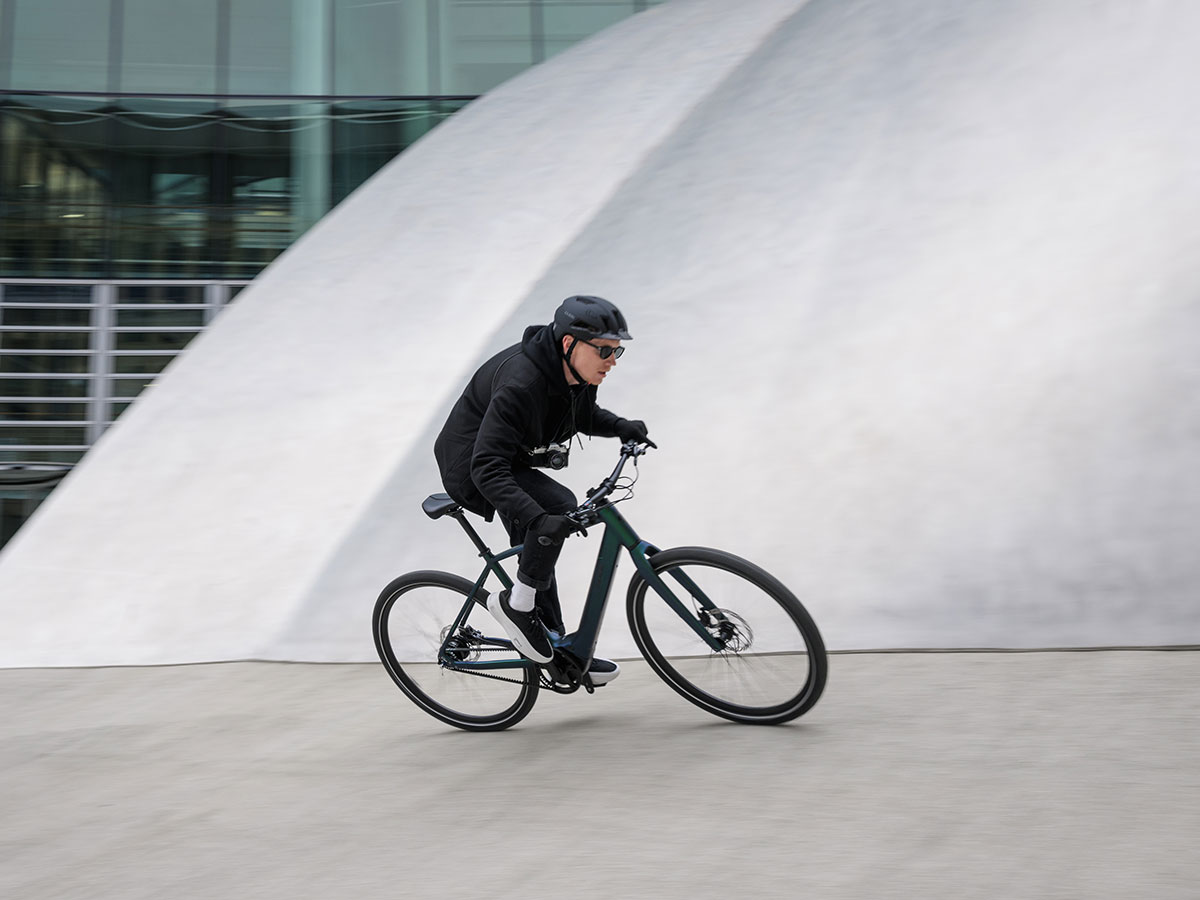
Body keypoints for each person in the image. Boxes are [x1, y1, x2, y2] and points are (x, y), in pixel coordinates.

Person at [433, 295, 652, 684]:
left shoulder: (575, 374)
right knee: (553, 509)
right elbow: (486, 466)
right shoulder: (522, 383)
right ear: (569, 343)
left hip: (507, 458)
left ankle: (557, 648)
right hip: (472, 466)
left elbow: (581, 415)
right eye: (604, 350)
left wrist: (620, 426)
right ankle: (517, 607)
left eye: (617, 351)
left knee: (547, 529)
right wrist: (536, 518)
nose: (612, 361)